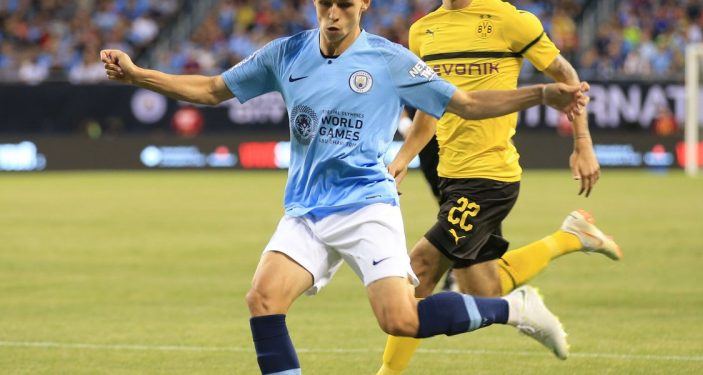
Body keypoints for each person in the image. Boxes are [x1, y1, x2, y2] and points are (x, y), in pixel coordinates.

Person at [100, 1, 589, 373]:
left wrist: (541, 92)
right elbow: (210, 90)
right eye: (325, 5)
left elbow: (465, 103)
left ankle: (514, 309)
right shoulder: (286, 53)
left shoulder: (392, 60)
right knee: (263, 300)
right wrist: (139, 74)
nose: (333, 16)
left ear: (365, 6)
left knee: (401, 320)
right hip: (306, 209)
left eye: (345, 6)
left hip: (365, 207)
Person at [377, 1, 623, 374]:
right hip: (452, 175)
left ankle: (388, 372)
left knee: (418, 270)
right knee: (483, 288)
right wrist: (403, 157)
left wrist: (583, 142)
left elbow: (566, 75)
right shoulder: (422, 31)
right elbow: (429, 104)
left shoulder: (510, 20)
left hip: (490, 177)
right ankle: (571, 236)